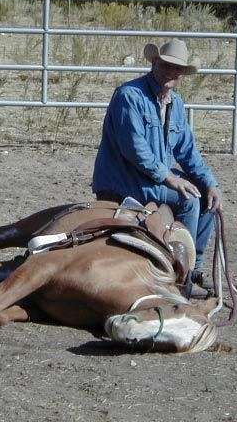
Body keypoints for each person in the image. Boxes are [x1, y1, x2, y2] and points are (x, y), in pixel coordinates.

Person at [92, 38, 222, 292]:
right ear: (154, 63)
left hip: (148, 177)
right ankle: (180, 277)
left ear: (182, 74)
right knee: (188, 199)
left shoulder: (176, 103)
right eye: (165, 65)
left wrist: (210, 182)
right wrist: (170, 178)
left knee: (206, 198)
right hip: (123, 178)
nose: (170, 72)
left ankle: (194, 267)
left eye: (176, 68)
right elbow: (135, 150)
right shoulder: (129, 96)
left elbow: (187, 150)